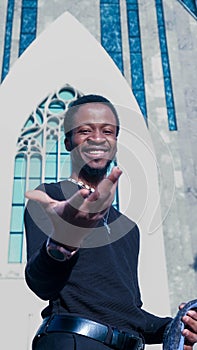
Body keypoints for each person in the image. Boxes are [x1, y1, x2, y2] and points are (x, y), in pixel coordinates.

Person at [24, 95, 197, 349]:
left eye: (107, 131)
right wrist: (63, 241)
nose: (97, 138)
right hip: (73, 342)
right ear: (68, 142)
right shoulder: (50, 198)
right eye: (85, 130)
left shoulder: (128, 229)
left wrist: (179, 325)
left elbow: (130, 315)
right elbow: (41, 284)